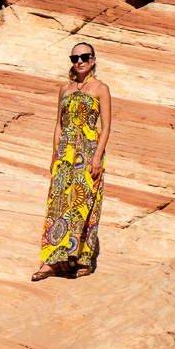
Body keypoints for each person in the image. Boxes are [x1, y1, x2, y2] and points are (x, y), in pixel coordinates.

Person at [32, 42, 112, 281]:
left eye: (85, 57)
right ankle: (51, 262)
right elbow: (58, 124)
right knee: (57, 205)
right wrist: (54, 155)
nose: (79, 61)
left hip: (88, 152)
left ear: (93, 60)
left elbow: (106, 126)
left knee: (83, 204)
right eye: (75, 57)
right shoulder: (64, 89)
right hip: (64, 153)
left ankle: (81, 259)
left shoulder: (101, 88)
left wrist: (97, 156)